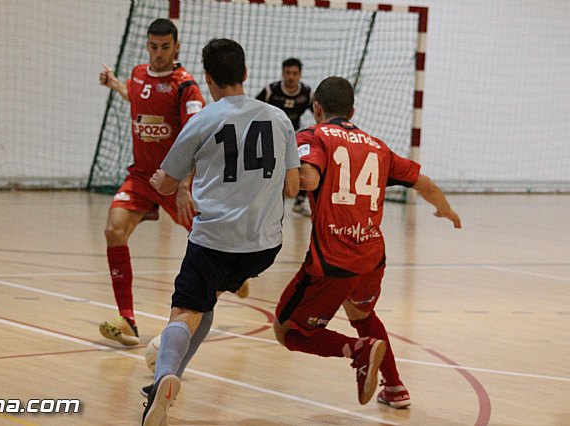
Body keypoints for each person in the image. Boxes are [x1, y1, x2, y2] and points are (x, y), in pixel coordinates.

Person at [273, 77, 461, 408]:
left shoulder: (313, 136)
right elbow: (424, 182)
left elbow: (309, 178)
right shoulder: (378, 146)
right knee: (361, 313)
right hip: (372, 259)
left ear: (316, 108)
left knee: (287, 330)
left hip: (331, 262)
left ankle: (356, 351)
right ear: (353, 110)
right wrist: (445, 210)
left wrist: (275, 172)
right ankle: (395, 387)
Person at [142, 38, 300, 425]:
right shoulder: (279, 119)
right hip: (264, 247)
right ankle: (169, 377)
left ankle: (163, 379)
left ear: (208, 78)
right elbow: (294, 188)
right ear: (245, 74)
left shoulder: (202, 121)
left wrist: (160, 178)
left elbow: (166, 186)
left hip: (214, 241)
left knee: (184, 311)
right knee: (205, 303)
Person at [96, 18, 208, 347]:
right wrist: (116, 85)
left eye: (165, 47)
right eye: (153, 46)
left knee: (206, 243)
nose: (158, 53)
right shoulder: (138, 75)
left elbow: (195, 136)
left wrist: (185, 185)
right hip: (141, 178)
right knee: (113, 230)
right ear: (148, 45)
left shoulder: (186, 85)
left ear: (176, 47)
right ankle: (128, 320)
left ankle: (235, 278)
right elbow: (139, 100)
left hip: (173, 180)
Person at [256, 57, 313, 217]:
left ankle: (300, 201)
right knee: (272, 170)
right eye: (287, 73)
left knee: (307, 162)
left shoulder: (306, 93)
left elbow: (320, 115)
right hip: (272, 136)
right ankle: (270, 203)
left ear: (300, 75)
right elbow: (254, 110)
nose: (291, 77)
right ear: (283, 73)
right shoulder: (271, 91)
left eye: (294, 73)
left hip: (294, 137)